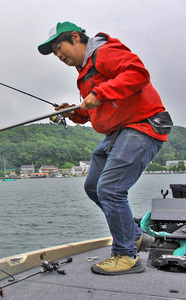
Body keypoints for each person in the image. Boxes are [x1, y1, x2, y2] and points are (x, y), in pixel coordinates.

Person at [38, 21, 172, 275]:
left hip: (141, 126)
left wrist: (100, 92)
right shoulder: (84, 73)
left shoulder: (103, 51)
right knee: (93, 186)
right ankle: (135, 236)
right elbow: (97, 111)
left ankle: (126, 255)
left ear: (76, 37)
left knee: (110, 188)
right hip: (117, 132)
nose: (58, 55)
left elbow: (138, 74)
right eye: (55, 53)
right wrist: (74, 112)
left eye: (59, 47)